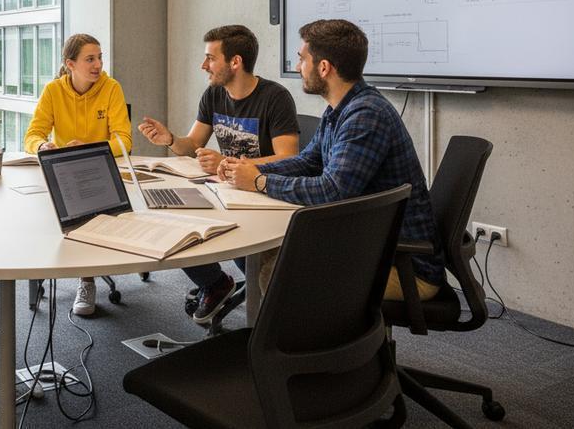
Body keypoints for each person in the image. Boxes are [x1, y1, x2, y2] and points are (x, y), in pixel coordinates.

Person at [227, 18, 444, 301]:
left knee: (277, 272)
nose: (296, 67)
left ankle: (307, 345)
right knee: (263, 248)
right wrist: (250, 168)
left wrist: (258, 181)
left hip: (403, 267)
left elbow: (333, 191)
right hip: (368, 241)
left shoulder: (366, 115)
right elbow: (308, 162)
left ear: (324, 67)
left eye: (301, 59)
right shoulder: (339, 110)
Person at [137, 24, 299, 324]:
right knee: (169, 212)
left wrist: (224, 161)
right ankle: (214, 283)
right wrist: (170, 139)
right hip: (225, 190)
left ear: (235, 62)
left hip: (263, 196)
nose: (203, 65)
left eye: (210, 58)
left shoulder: (275, 97)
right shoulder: (213, 94)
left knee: (253, 259)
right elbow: (193, 144)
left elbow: (289, 158)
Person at [24, 33, 132, 315]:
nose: (98, 65)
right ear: (70, 64)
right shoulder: (53, 91)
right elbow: (32, 135)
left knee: (88, 209)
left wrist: (93, 148)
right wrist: (43, 145)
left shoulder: (111, 88)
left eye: (99, 57)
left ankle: (87, 278)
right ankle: (61, 267)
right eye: (90, 59)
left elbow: (124, 140)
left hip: (100, 169)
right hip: (63, 171)